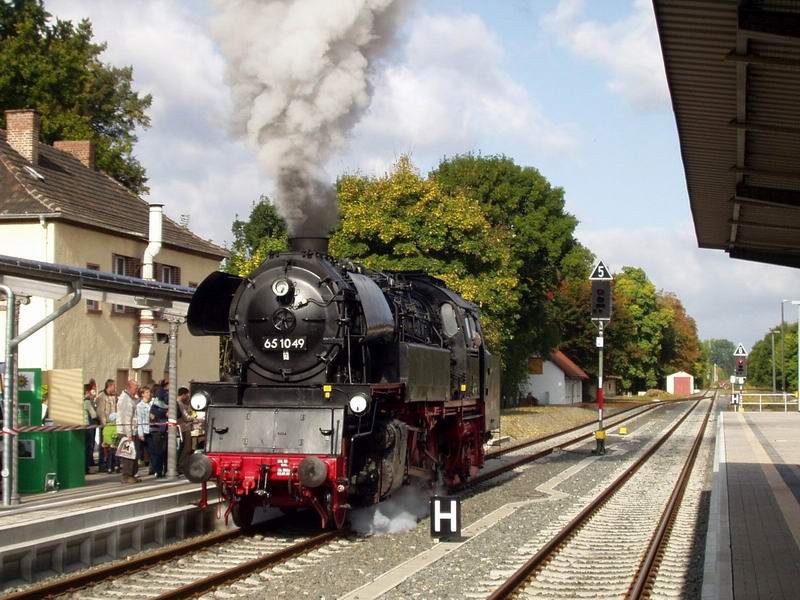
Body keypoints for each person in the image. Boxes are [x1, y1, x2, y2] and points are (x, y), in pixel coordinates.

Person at [117, 379, 140, 483]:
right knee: (128, 455)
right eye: (136, 388)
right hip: (126, 432)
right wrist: (129, 434)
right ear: (129, 387)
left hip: (131, 431)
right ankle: (126, 476)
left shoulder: (129, 398)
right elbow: (126, 418)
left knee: (133, 454)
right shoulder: (125, 400)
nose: (137, 390)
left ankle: (132, 474)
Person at [96, 379, 118, 472]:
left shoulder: (113, 396)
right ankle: (102, 465)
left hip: (113, 424)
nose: (115, 388)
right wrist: (104, 424)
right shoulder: (102, 396)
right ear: (110, 386)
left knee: (113, 445)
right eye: (114, 386)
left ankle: (112, 464)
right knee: (105, 445)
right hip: (106, 424)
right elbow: (101, 411)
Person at [149, 386, 168, 478]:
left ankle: (166, 469)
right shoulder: (155, 406)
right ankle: (158, 470)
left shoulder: (170, 405)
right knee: (158, 452)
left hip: (167, 430)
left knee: (166, 452)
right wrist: (164, 413)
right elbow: (154, 414)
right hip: (157, 431)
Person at [176, 387, 193, 474]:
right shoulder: (180, 404)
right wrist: (194, 418)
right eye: (187, 395)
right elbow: (186, 417)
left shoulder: (182, 403)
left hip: (182, 428)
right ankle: (181, 465)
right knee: (185, 448)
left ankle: (181, 465)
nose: (188, 397)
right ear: (183, 395)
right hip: (184, 428)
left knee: (183, 448)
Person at [82, 382, 98, 474]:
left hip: (80, 426)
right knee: (88, 446)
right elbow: (94, 415)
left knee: (83, 447)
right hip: (87, 426)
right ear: (87, 392)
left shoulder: (80, 400)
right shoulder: (87, 401)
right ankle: (86, 467)